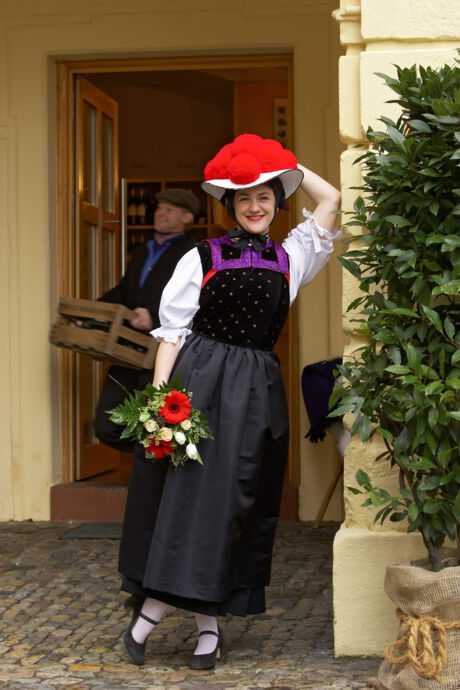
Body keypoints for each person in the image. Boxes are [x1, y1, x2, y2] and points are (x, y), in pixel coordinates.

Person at [118, 133, 341, 668]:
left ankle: (184, 619)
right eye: (243, 198)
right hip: (198, 380)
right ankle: (189, 623)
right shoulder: (202, 255)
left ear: (278, 202)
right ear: (230, 207)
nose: (255, 206)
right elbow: (172, 332)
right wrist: (159, 400)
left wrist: (281, 166)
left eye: (265, 196)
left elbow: (330, 198)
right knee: (188, 498)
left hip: (256, 391)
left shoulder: (293, 256)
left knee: (233, 504)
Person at [93, 188, 198, 452]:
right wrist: (92, 312)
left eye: (169, 209)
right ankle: (154, 458)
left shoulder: (194, 254)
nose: (160, 213)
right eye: (159, 207)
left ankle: (160, 471)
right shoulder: (141, 251)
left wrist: (153, 315)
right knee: (106, 426)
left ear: (187, 217)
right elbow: (125, 291)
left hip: (167, 352)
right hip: (129, 351)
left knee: (164, 423)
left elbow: (195, 299)